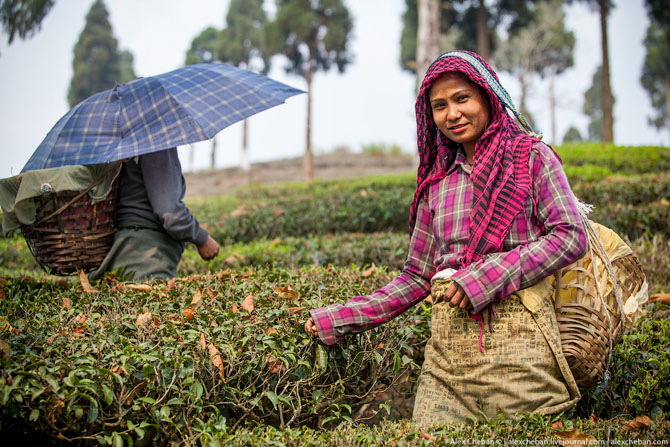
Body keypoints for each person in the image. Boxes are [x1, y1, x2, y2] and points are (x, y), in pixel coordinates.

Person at [304, 51, 588, 424]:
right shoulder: (437, 183)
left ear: (488, 95)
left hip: (521, 351)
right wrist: (340, 317)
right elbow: (416, 278)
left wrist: (486, 277)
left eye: (461, 99)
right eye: (439, 106)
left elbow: (569, 236)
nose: (451, 114)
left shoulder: (532, 157)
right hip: (447, 362)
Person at [89, 147, 219, 281]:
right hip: (147, 254)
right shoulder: (156, 142)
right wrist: (202, 238)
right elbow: (171, 213)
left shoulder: (128, 140)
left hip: (122, 247)